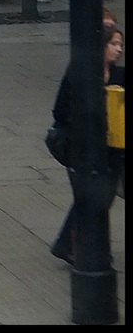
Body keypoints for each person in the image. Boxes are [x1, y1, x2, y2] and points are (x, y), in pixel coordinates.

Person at [49, 22, 125, 265]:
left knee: (100, 198)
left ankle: (74, 245)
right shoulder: (80, 73)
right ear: (101, 46)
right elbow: (60, 110)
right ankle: (77, 248)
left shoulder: (120, 75)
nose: (118, 49)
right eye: (113, 44)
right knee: (89, 198)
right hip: (82, 148)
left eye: (120, 44)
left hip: (113, 150)